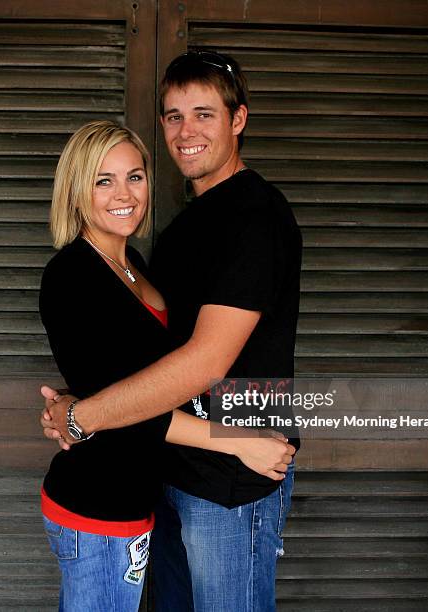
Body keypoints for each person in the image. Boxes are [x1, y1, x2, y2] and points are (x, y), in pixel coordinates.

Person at [41, 51, 302, 611]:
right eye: (173, 116)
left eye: (205, 114)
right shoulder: (175, 233)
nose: (186, 132)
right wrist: (80, 400)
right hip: (166, 475)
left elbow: (205, 363)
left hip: (233, 480)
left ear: (238, 120)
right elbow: (129, 367)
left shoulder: (254, 216)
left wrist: (81, 415)